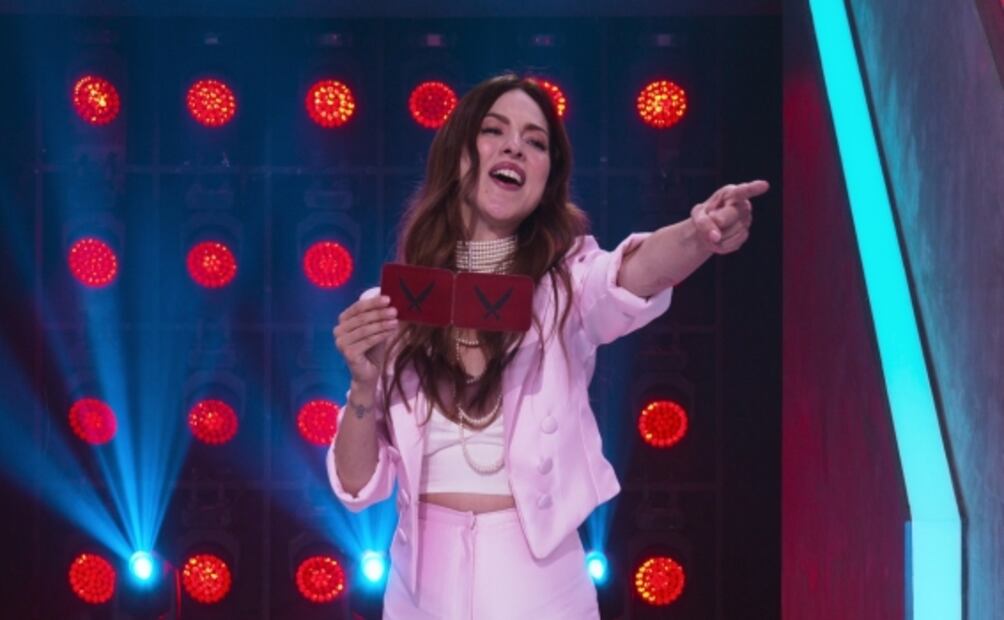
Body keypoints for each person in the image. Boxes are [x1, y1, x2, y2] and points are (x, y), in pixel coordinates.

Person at [328, 73, 768, 619]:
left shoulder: (566, 287)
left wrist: (697, 235)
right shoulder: (393, 306)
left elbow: (631, 274)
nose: (515, 146)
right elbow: (357, 487)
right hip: (419, 595)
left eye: (535, 141)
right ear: (457, 155)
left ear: (546, 179)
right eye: (493, 130)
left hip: (541, 589)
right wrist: (362, 385)